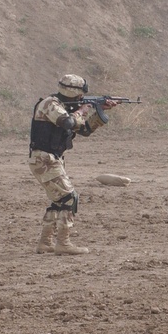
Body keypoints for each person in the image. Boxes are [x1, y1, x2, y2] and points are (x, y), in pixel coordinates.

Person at [28, 74, 118, 255]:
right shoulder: (50, 104)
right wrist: (81, 111)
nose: (81, 99)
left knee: (58, 200)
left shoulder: (64, 107)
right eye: (79, 96)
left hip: (51, 158)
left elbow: (84, 130)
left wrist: (100, 112)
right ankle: (63, 243)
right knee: (69, 198)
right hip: (43, 159)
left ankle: (46, 242)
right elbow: (68, 121)